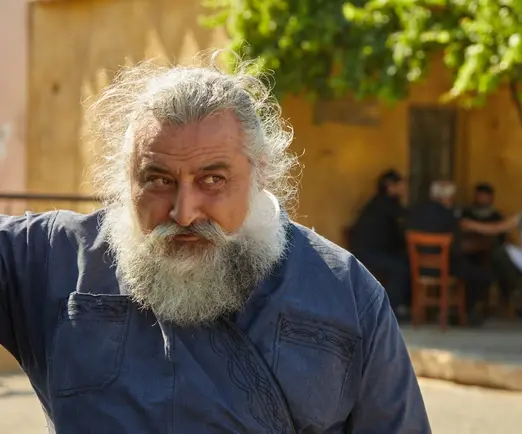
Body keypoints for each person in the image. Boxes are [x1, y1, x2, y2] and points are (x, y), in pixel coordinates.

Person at [0, 56, 430, 433]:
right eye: (158, 180)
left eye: (212, 179)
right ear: (124, 180)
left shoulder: (347, 294)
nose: (184, 213)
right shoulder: (52, 260)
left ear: (261, 174)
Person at [407, 181, 491, 326]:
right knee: (481, 275)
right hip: (444, 268)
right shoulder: (449, 215)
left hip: (417, 267)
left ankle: (435, 312)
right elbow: (456, 248)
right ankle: (464, 313)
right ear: (447, 198)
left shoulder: (415, 212)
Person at [349, 169, 411, 320]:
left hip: (370, 251)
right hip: (368, 254)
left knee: (403, 263)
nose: (403, 187)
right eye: (400, 184)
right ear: (390, 186)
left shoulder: (380, 202)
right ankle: (388, 311)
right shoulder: (386, 205)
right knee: (401, 268)